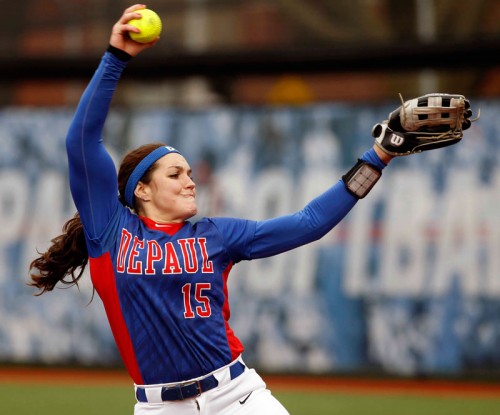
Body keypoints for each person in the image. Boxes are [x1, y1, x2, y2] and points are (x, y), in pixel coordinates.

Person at [30, 4, 470, 415]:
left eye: (189, 172)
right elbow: (80, 143)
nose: (190, 180)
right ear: (141, 189)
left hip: (236, 397)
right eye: (175, 173)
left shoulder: (216, 236)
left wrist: (378, 156)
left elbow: (308, 223)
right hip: (159, 407)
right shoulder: (110, 231)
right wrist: (116, 57)